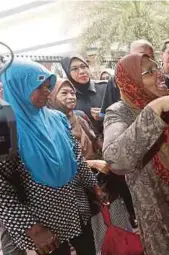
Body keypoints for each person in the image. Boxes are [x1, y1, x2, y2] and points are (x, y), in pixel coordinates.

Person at [0, 59, 106, 255]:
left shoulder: (56, 119)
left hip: (76, 210)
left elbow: (76, 158)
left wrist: (94, 186)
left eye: (48, 86)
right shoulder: (6, 129)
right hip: (43, 226)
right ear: (17, 87)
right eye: (38, 86)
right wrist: (32, 228)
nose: (47, 91)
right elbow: (2, 189)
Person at [102, 53, 169, 255]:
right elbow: (116, 160)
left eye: (156, 68)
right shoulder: (120, 112)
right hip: (154, 210)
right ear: (129, 82)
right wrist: (154, 109)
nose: (158, 75)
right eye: (148, 72)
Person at [47, 79, 132, 253]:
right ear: (52, 97)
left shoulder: (80, 117)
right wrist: (91, 163)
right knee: (94, 233)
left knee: (114, 222)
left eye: (72, 93)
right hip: (76, 189)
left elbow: (95, 141)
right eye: (64, 93)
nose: (70, 97)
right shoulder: (49, 125)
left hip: (98, 180)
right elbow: (58, 161)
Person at [61, 55, 107, 134]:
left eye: (83, 66)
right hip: (83, 143)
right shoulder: (65, 96)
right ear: (68, 72)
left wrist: (104, 115)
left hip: (109, 140)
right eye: (74, 69)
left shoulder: (104, 88)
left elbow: (121, 113)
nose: (81, 71)